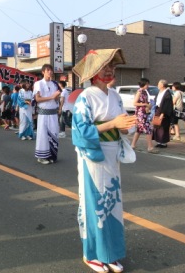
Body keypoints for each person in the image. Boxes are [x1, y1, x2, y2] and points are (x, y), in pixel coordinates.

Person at [71, 49, 136, 273]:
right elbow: (79, 132)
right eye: (105, 67)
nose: (110, 70)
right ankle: (92, 254)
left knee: (112, 203)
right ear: (93, 72)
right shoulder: (85, 96)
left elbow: (122, 123)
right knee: (94, 203)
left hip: (111, 155)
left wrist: (126, 127)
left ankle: (110, 253)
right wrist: (112, 125)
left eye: (112, 66)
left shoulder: (115, 96)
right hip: (93, 156)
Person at [33, 64, 61, 164]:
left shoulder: (54, 84)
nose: (50, 72)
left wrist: (57, 97)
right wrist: (52, 97)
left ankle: (51, 155)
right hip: (44, 114)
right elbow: (37, 99)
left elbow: (56, 99)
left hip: (53, 113)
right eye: (47, 70)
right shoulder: (38, 84)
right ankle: (42, 156)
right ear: (43, 72)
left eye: (51, 70)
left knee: (54, 133)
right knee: (43, 135)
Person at [130, 78, 158, 153]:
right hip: (140, 113)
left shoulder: (144, 92)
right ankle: (150, 147)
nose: (148, 86)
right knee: (148, 129)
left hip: (144, 112)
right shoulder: (139, 92)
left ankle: (132, 145)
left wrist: (148, 105)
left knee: (139, 129)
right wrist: (144, 104)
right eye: (147, 84)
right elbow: (135, 103)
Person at [152, 79, 173, 148]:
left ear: (163, 85)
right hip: (158, 109)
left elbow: (167, 104)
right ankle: (159, 141)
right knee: (157, 126)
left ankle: (163, 142)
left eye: (159, 84)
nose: (158, 85)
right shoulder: (159, 92)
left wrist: (163, 113)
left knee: (163, 126)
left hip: (164, 112)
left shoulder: (167, 93)